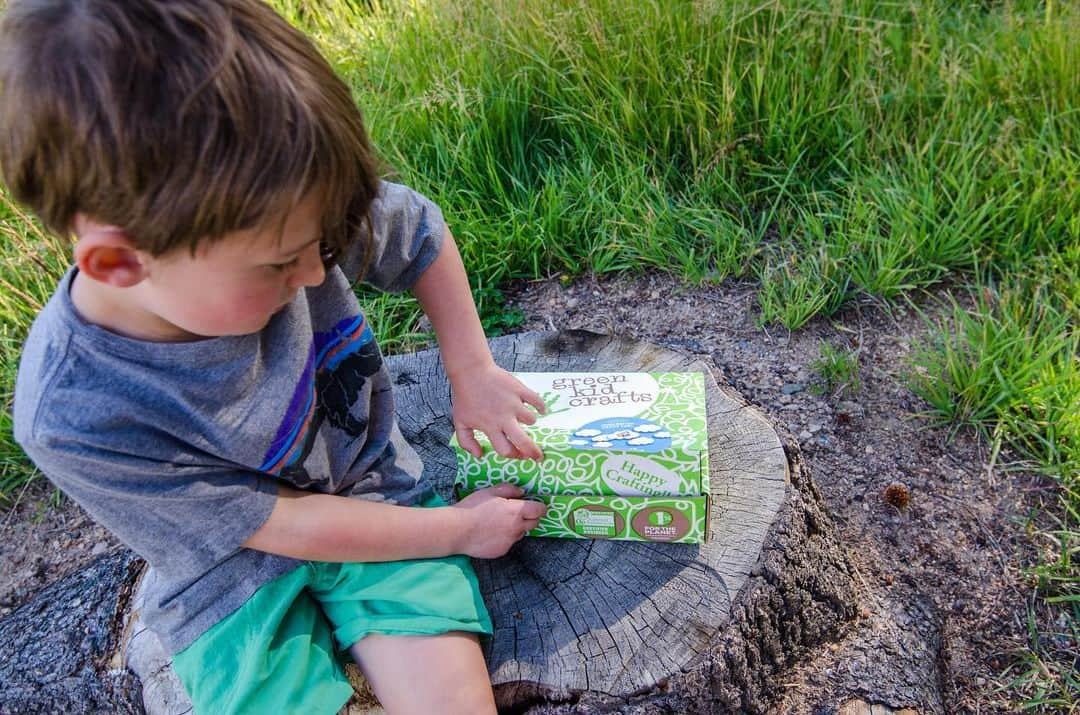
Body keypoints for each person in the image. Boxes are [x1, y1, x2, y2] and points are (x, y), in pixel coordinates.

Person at [0, 0, 548, 712]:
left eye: (321, 248)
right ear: (118, 262)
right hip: (230, 582)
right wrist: (460, 528)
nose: (320, 276)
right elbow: (280, 526)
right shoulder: (73, 414)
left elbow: (418, 235)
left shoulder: (281, 209)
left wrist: (472, 370)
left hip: (369, 490)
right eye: (284, 264)